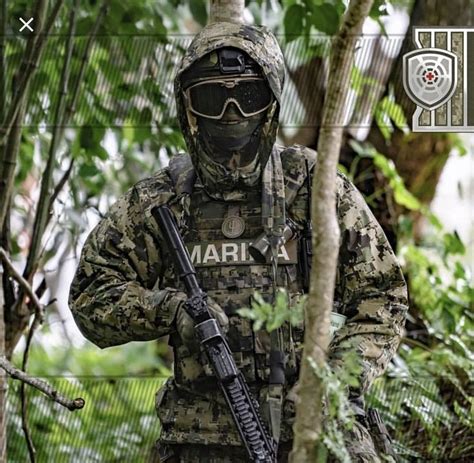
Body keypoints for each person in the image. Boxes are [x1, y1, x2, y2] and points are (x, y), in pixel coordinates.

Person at [69, 22, 408, 463]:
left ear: (270, 100)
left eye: (246, 96)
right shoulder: (162, 200)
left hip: (309, 434)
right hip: (197, 441)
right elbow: (90, 296)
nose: (231, 112)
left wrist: (330, 385)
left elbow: (383, 299)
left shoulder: (315, 187)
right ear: (189, 105)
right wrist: (170, 310)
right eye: (213, 98)